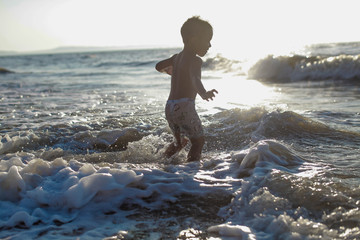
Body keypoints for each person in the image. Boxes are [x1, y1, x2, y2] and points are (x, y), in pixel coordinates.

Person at [155, 16, 218, 162]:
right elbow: (195, 78)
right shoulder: (195, 60)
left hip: (170, 107)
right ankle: (192, 168)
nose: (209, 45)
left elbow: (158, 66)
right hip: (184, 106)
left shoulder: (176, 58)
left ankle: (162, 163)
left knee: (180, 142)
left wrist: (171, 68)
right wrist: (203, 93)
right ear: (194, 39)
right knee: (198, 141)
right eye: (207, 40)